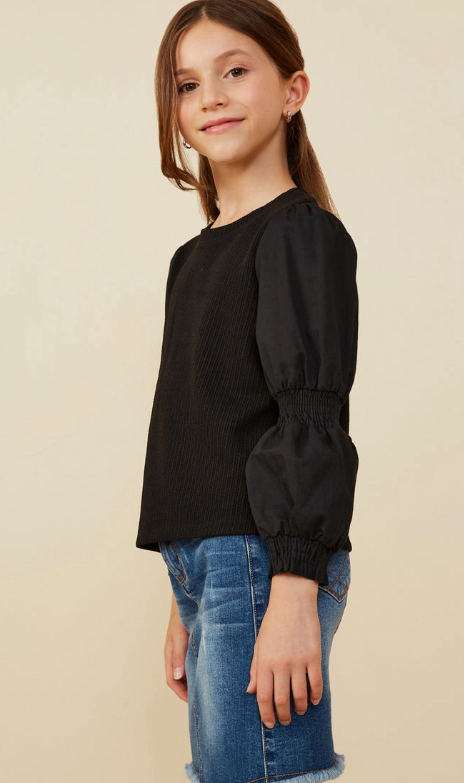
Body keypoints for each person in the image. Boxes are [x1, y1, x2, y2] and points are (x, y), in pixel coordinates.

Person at [135, 1, 360, 781]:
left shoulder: (300, 234)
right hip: (216, 570)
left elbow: (309, 416)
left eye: (235, 71)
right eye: (187, 84)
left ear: (294, 90)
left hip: (264, 564)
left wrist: (291, 589)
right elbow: (207, 428)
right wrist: (184, 598)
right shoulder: (192, 260)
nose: (212, 98)